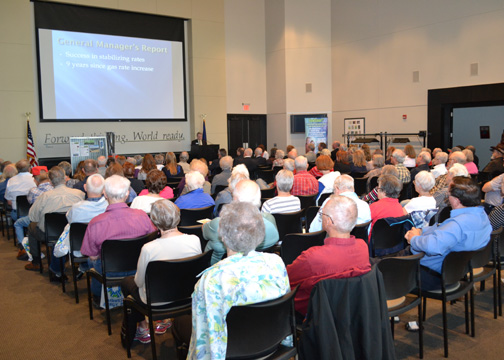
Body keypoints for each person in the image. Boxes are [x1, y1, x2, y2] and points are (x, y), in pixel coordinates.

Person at [185, 201, 289, 359]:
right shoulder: (276, 262)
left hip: (233, 354)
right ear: (260, 233)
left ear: (223, 237)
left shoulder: (213, 279)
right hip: (272, 346)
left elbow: (207, 338)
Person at [120, 199, 202, 345]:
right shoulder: (195, 240)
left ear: (154, 222)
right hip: (187, 296)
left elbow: (139, 282)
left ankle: (143, 328)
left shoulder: (149, 248)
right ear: (178, 216)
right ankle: (163, 320)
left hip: (156, 301)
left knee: (127, 282)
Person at [288, 195, 371, 315]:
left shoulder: (312, 257)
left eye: (322, 214)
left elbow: (286, 279)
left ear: (328, 221)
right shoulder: (363, 248)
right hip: (352, 312)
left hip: (315, 314)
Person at [405, 177, 492, 291]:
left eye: (448, 194)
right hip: (460, 270)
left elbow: (433, 246)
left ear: (456, 200)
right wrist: (422, 231)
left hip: (434, 276)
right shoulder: (482, 216)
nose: (447, 196)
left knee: (384, 270)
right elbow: (445, 230)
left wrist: (414, 238)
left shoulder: (457, 224)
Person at [80, 175, 157, 298]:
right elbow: (153, 241)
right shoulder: (142, 216)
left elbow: (93, 256)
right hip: (138, 269)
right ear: (127, 194)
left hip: (109, 272)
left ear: (104, 194)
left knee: (91, 260)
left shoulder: (95, 223)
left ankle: (98, 295)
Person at [203, 180, 279, 264]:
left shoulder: (219, 223)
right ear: (259, 198)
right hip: (261, 266)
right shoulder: (270, 220)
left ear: (235, 200)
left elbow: (204, 233)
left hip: (221, 269)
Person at [25, 166, 85, 271]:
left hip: (50, 233)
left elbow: (32, 216)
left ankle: (36, 262)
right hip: (74, 233)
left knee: (31, 226)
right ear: (65, 178)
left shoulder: (44, 196)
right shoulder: (79, 194)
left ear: (50, 181)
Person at [49, 174, 109, 280]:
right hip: (104, 247)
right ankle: (84, 267)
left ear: (85, 188)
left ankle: (58, 271)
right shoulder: (108, 207)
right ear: (104, 189)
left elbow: (69, 219)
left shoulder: (76, 208)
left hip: (79, 246)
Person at [14, 166, 53, 260]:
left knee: (18, 223)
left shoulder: (33, 191)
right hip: (53, 222)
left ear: (35, 179)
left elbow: (31, 204)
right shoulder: (54, 188)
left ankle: (23, 248)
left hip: (38, 220)